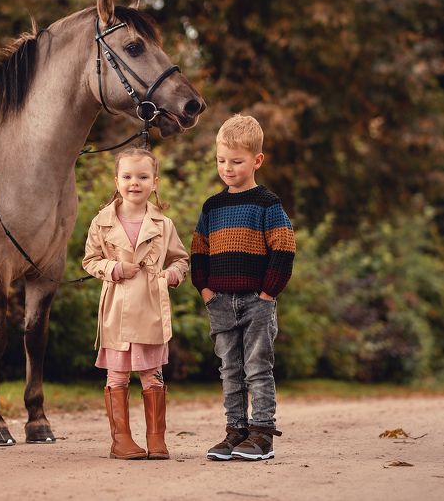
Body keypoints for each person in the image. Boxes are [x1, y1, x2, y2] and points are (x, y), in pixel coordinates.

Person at [191, 114, 295, 461]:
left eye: (236, 161)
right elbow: (199, 252)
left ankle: (262, 435)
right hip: (220, 301)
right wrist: (205, 291)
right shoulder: (212, 206)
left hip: (256, 301)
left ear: (257, 161)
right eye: (222, 160)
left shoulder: (268, 204)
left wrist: (267, 295)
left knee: (257, 367)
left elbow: (283, 249)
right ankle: (235, 431)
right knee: (230, 369)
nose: (228, 168)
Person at [82, 147, 189, 460]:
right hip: (116, 308)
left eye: (142, 176)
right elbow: (90, 260)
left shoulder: (163, 224)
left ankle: (156, 438)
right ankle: (122, 440)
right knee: (116, 375)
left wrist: (171, 275)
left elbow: (181, 259)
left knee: (151, 373)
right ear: (116, 181)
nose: (134, 182)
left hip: (150, 308)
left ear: (154, 182)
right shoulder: (101, 223)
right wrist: (113, 269)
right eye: (127, 176)